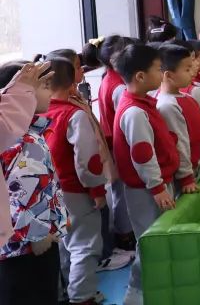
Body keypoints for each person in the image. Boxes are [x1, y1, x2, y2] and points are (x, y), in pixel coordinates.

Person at [40, 59, 111, 305]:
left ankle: (67, 292)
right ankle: (82, 296)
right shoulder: (74, 115)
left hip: (50, 189)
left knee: (64, 243)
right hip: (75, 190)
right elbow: (88, 160)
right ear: (73, 83)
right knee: (85, 245)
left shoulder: (38, 113)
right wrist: (97, 189)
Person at [112, 44, 178, 305]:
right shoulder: (135, 111)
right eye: (158, 68)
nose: (162, 72)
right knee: (150, 243)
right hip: (145, 190)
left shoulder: (142, 104)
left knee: (158, 240)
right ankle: (135, 296)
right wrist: (157, 187)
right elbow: (142, 155)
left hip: (153, 185)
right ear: (140, 76)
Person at [0, 60, 67, 305]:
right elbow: (23, 188)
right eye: (44, 86)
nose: (50, 91)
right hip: (28, 247)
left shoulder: (22, 135)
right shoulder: (24, 140)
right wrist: (37, 234)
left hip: (15, 246)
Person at [82, 36, 137, 254]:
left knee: (119, 190)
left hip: (113, 142)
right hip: (118, 144)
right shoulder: (119, 87)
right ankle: (124, 234)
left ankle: (124, 231)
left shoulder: (109, 78)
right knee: (122, 191)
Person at [154, 45, 200, 194]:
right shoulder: (167, 106)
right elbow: (179, 143)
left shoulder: (187, 97)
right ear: (168, 75)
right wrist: (186, 177)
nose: (192, 72)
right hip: (190, 171)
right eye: (187, 69)